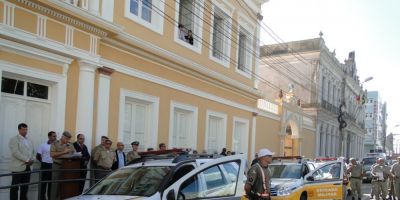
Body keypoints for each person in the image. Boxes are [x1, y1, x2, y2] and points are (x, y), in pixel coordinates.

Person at [9, 123, 35, 200]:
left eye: (26, 129)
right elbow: (15, 152)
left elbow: (33, 151)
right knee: (15, 187)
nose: (25, 131)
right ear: (19, 130)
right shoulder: (14, 139)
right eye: (23, 129)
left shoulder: (29, 140)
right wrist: (27, 160)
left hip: (28, 167)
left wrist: (32, 159)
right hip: (18, 167)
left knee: (25, 187)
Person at [50, 131, 76, 200]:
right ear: (62, 137)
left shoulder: (70, 144)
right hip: (57, 166)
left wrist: (75, 155)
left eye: (69, 139)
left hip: (68, 167)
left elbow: (74, 153)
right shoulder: (55, 143)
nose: (68, 141)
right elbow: (52, 154)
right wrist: (64, 152)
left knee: (65, 185)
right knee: (55, 186)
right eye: (66, 139)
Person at [36, 131, 57, 200]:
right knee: (43, 184)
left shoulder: (57, 145)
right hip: (45, 166)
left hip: (54, 166)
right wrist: (43, 161)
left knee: (52, 185)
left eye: (55, 136)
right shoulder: (43, 145)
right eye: (53, 136)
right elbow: (38, 155)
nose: (55, 137)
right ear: (49, 137)